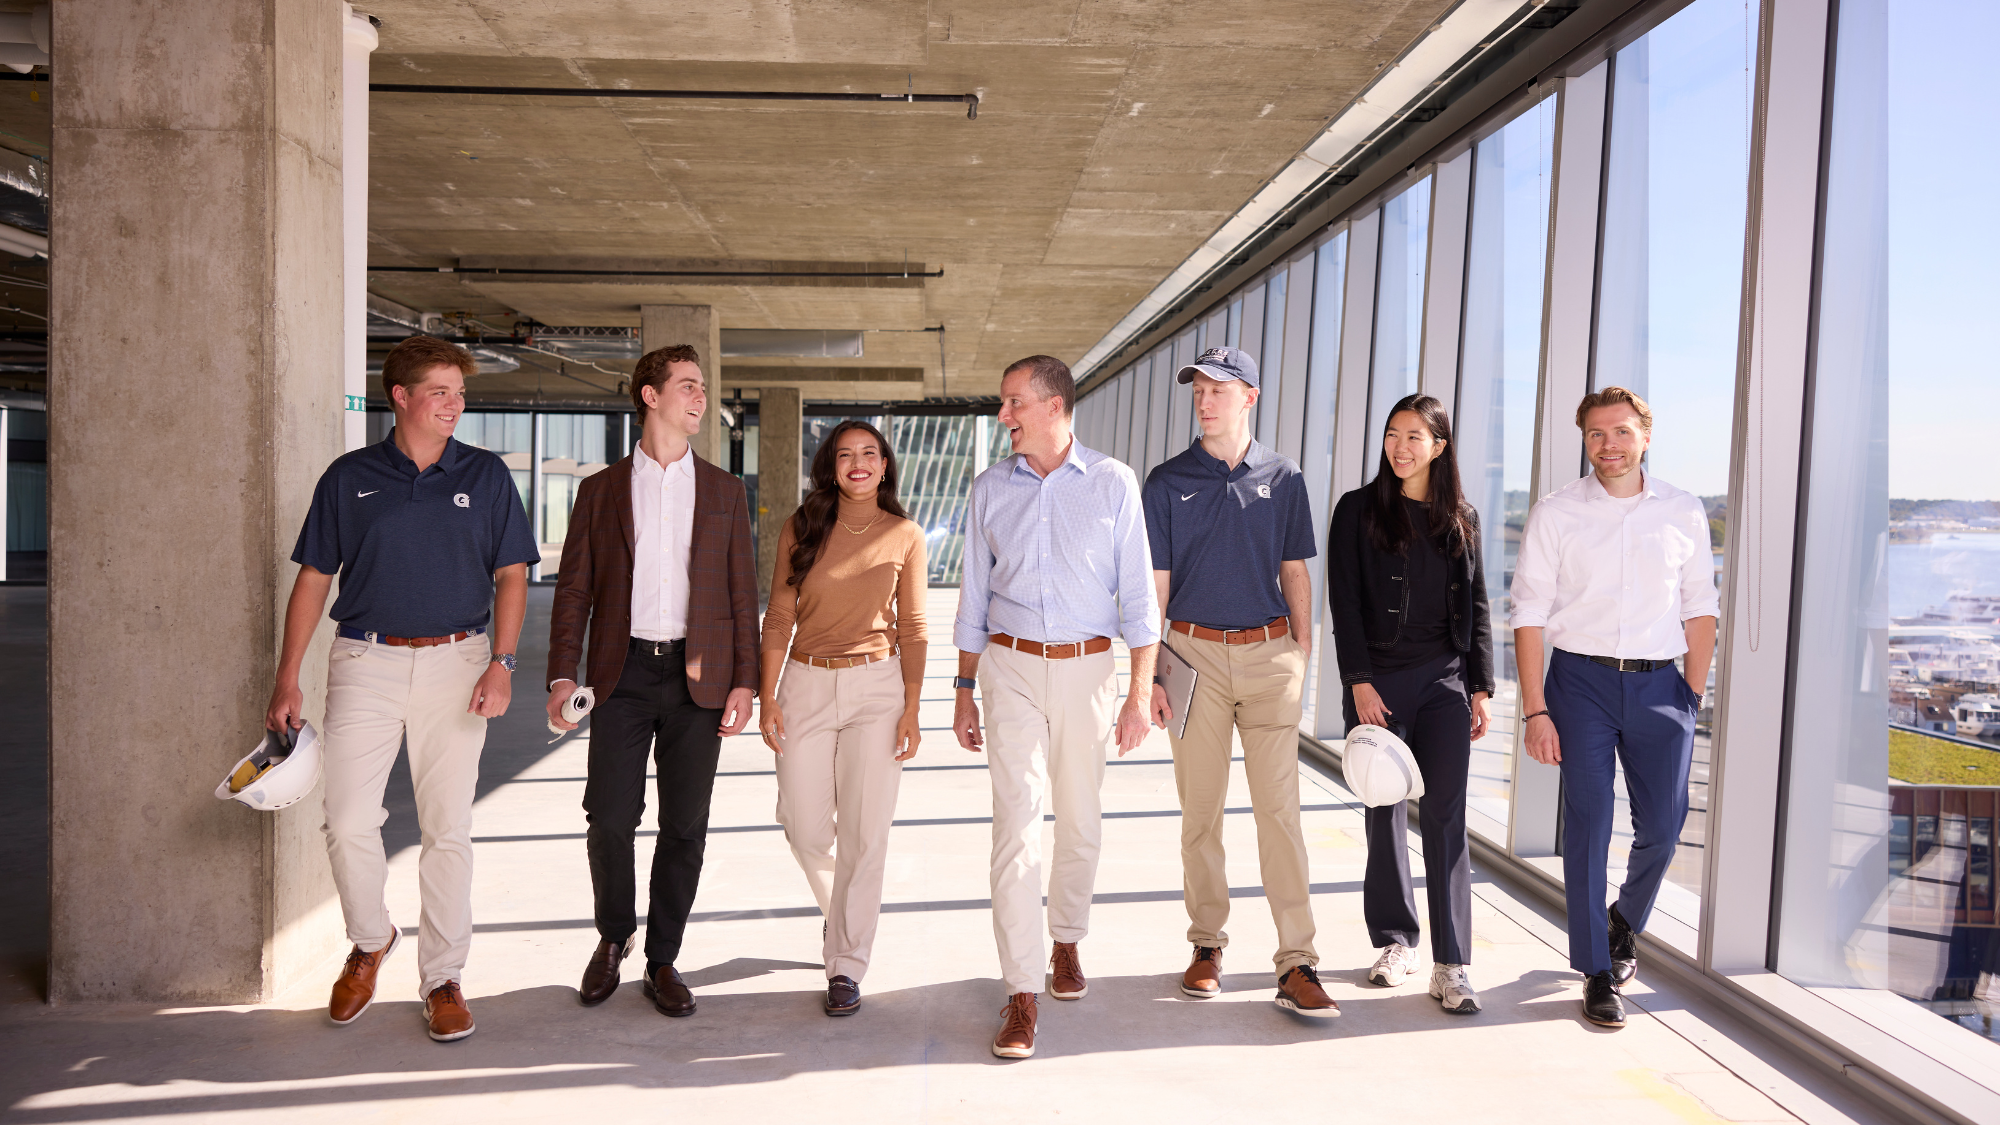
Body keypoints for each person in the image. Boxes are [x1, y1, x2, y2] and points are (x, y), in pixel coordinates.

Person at [265, 335, 540, 1043]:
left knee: (448, 827)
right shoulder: (349, 476)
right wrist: (287, 675)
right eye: (441, 391)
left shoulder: (483, 475)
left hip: (460, 660)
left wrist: (502, 662)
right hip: (366, 658)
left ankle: (443, 976)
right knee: (348, 816)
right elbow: (314, 578)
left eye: (459, 392)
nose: (455, 403)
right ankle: (370, 939)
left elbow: (513, 574)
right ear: (402, 397)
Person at [952, 355, 1160, 1059]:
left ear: (1052, 406)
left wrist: (1137, 692)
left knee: (1078, 816)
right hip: (1008, 666)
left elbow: (1139, 597)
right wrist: (961, 689)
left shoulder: (1112, 483)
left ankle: (1065, 939)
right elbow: (972, 599)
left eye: (1013, 403)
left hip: (1088, 669)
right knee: (1015, 825)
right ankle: (1020, 992)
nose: (1003, 416)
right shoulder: (989, 488)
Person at [546, 344, 758, 1019]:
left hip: (701, 678)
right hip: (622, 672)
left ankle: (663, 957)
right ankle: (615, 934)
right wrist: (560, 674)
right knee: (609, 814)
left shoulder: (725, 490)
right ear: (651, 395)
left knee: (685, 824)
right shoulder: (601, 490)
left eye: (703, 389)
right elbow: (574, 590)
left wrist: (746, 681)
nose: (701, 398)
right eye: (689, 386)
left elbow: (739, 592)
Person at [1509, 386, 1718, 1029]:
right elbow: (1529, 613)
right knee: (1590, 825)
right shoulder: (1555, 513)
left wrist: (1693, 692)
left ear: (1645, 436)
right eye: (1597, 434)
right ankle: (1598, 970)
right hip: (1582, 685)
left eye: (1622, 432)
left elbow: (1699, 606)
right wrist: (1536, 711)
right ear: (1584, 440)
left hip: (1663, 689)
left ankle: (1622, 921)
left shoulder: (1683, 511)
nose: (1609, 444)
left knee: (1663, 826)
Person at [1141, 347, 1338, 1017]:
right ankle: (1206, 945)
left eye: (1219, 389)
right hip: (1192, 656)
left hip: (1269, 655)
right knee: (1201, 814)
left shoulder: (1285, 477)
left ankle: (1297, 959)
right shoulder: (1166, 482)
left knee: (1279, 814)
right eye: (1198, 388)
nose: (1205, 399)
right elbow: (1156, 588)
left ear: (1249, 396)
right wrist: (1150, 673)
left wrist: (1301, 655)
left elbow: (1296, 572)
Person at [1327, 393, 1494, 1016]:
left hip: (1445, 683)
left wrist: (1479, 685)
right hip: (1381, 682)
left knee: (1448, 815)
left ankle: (1452, 964)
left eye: (1415, 437)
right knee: (1384, 810)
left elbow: (1476, 606)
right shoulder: (1357, 510)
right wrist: (1358, 681)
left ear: (1439, 447)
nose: (1400, 446)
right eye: (1394, 433)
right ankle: (1395, 941)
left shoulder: (1463, 517)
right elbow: (1343, 602)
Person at [759, 420, 928, 1017]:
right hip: (804, 681)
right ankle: (842, 921)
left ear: (885, 465)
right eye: (845, 455)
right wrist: (768, 692)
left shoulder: (905, 534)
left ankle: (847, 964)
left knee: (865, 832)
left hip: (878, 690)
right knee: (803, 825)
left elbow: (912, 626)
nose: (857, 464)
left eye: (869, 454)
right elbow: (779, 615)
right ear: (830, 465)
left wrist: (912, 705)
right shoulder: (801, 527)